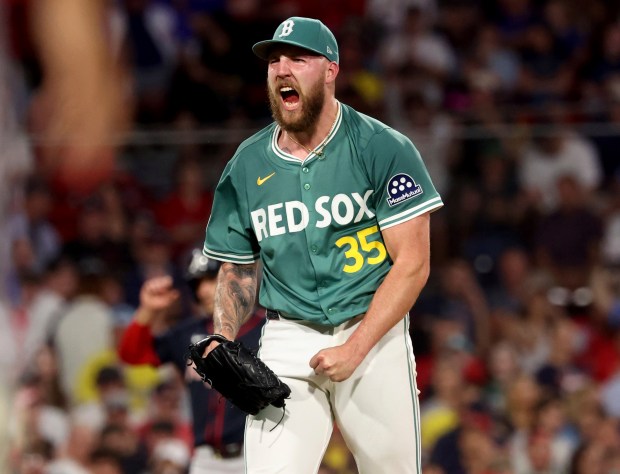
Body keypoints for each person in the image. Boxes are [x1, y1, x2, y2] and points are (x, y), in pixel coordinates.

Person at [202, 17, 444, 473]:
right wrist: (223, 337)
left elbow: (412, 264)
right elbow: (237, 267)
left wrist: (355, 348)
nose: (282, 69)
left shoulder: (382, 147)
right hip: (287, 337)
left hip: (371, 333)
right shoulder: (247, 164)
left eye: (298, 57)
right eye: (274, 60)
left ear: (331, 70)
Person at [118, 249, 264, 473]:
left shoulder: (267, 331)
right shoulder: (190, 334)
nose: (204, 290)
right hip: (206, 460)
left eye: (212, 279)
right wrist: (147, 311)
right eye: (197, 283)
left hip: (256, 455)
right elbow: (132, 355)